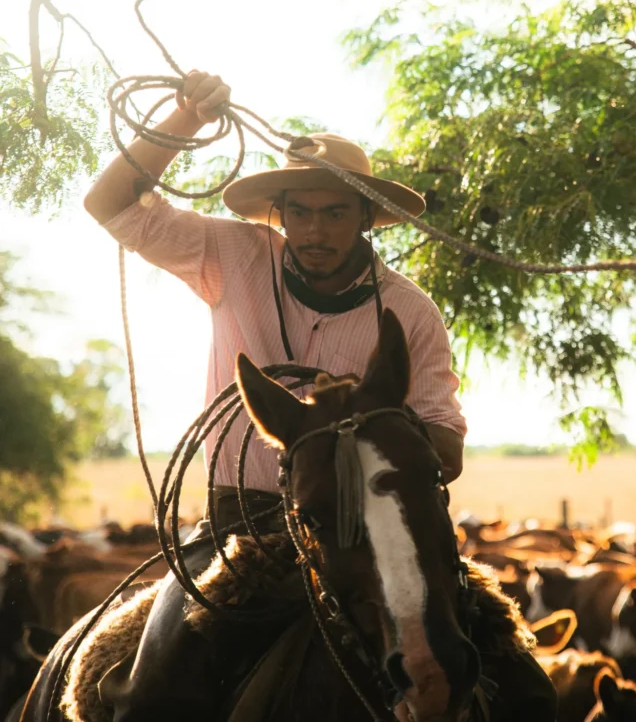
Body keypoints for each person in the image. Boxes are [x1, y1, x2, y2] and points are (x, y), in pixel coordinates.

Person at [84, 70, 557, 721]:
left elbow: (445, 446)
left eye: (335, 212)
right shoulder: (231, 253)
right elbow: (108, 204)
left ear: (367, 217)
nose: (315, 229)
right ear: (279, 213)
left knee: (528, 692)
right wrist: (184, 117)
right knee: (149, 698)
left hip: (381, 536)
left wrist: (367, 426)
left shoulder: (409, 311)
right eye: (300, 211)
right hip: (239, 534)